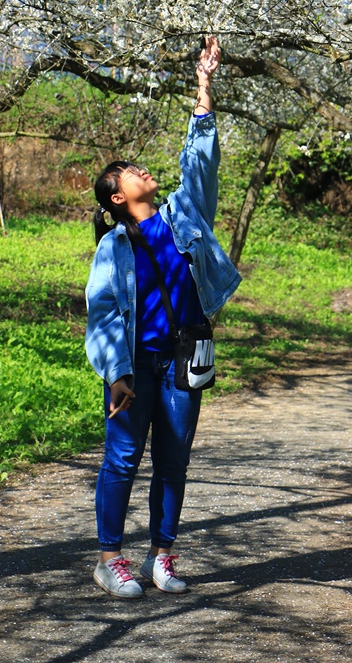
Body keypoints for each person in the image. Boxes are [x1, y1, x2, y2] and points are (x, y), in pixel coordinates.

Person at [85, 35, 242, 598]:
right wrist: (115, 373)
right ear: (116, 198)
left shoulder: (184, 216)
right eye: (128, 171)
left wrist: (203, 86)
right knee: (123, 460)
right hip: (136, 367)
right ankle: (110, 560)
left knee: (173, 461)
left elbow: (200, 160)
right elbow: (103, 313)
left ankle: (162, 558)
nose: (140, 170)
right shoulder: (115, 249)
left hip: (184, 359)